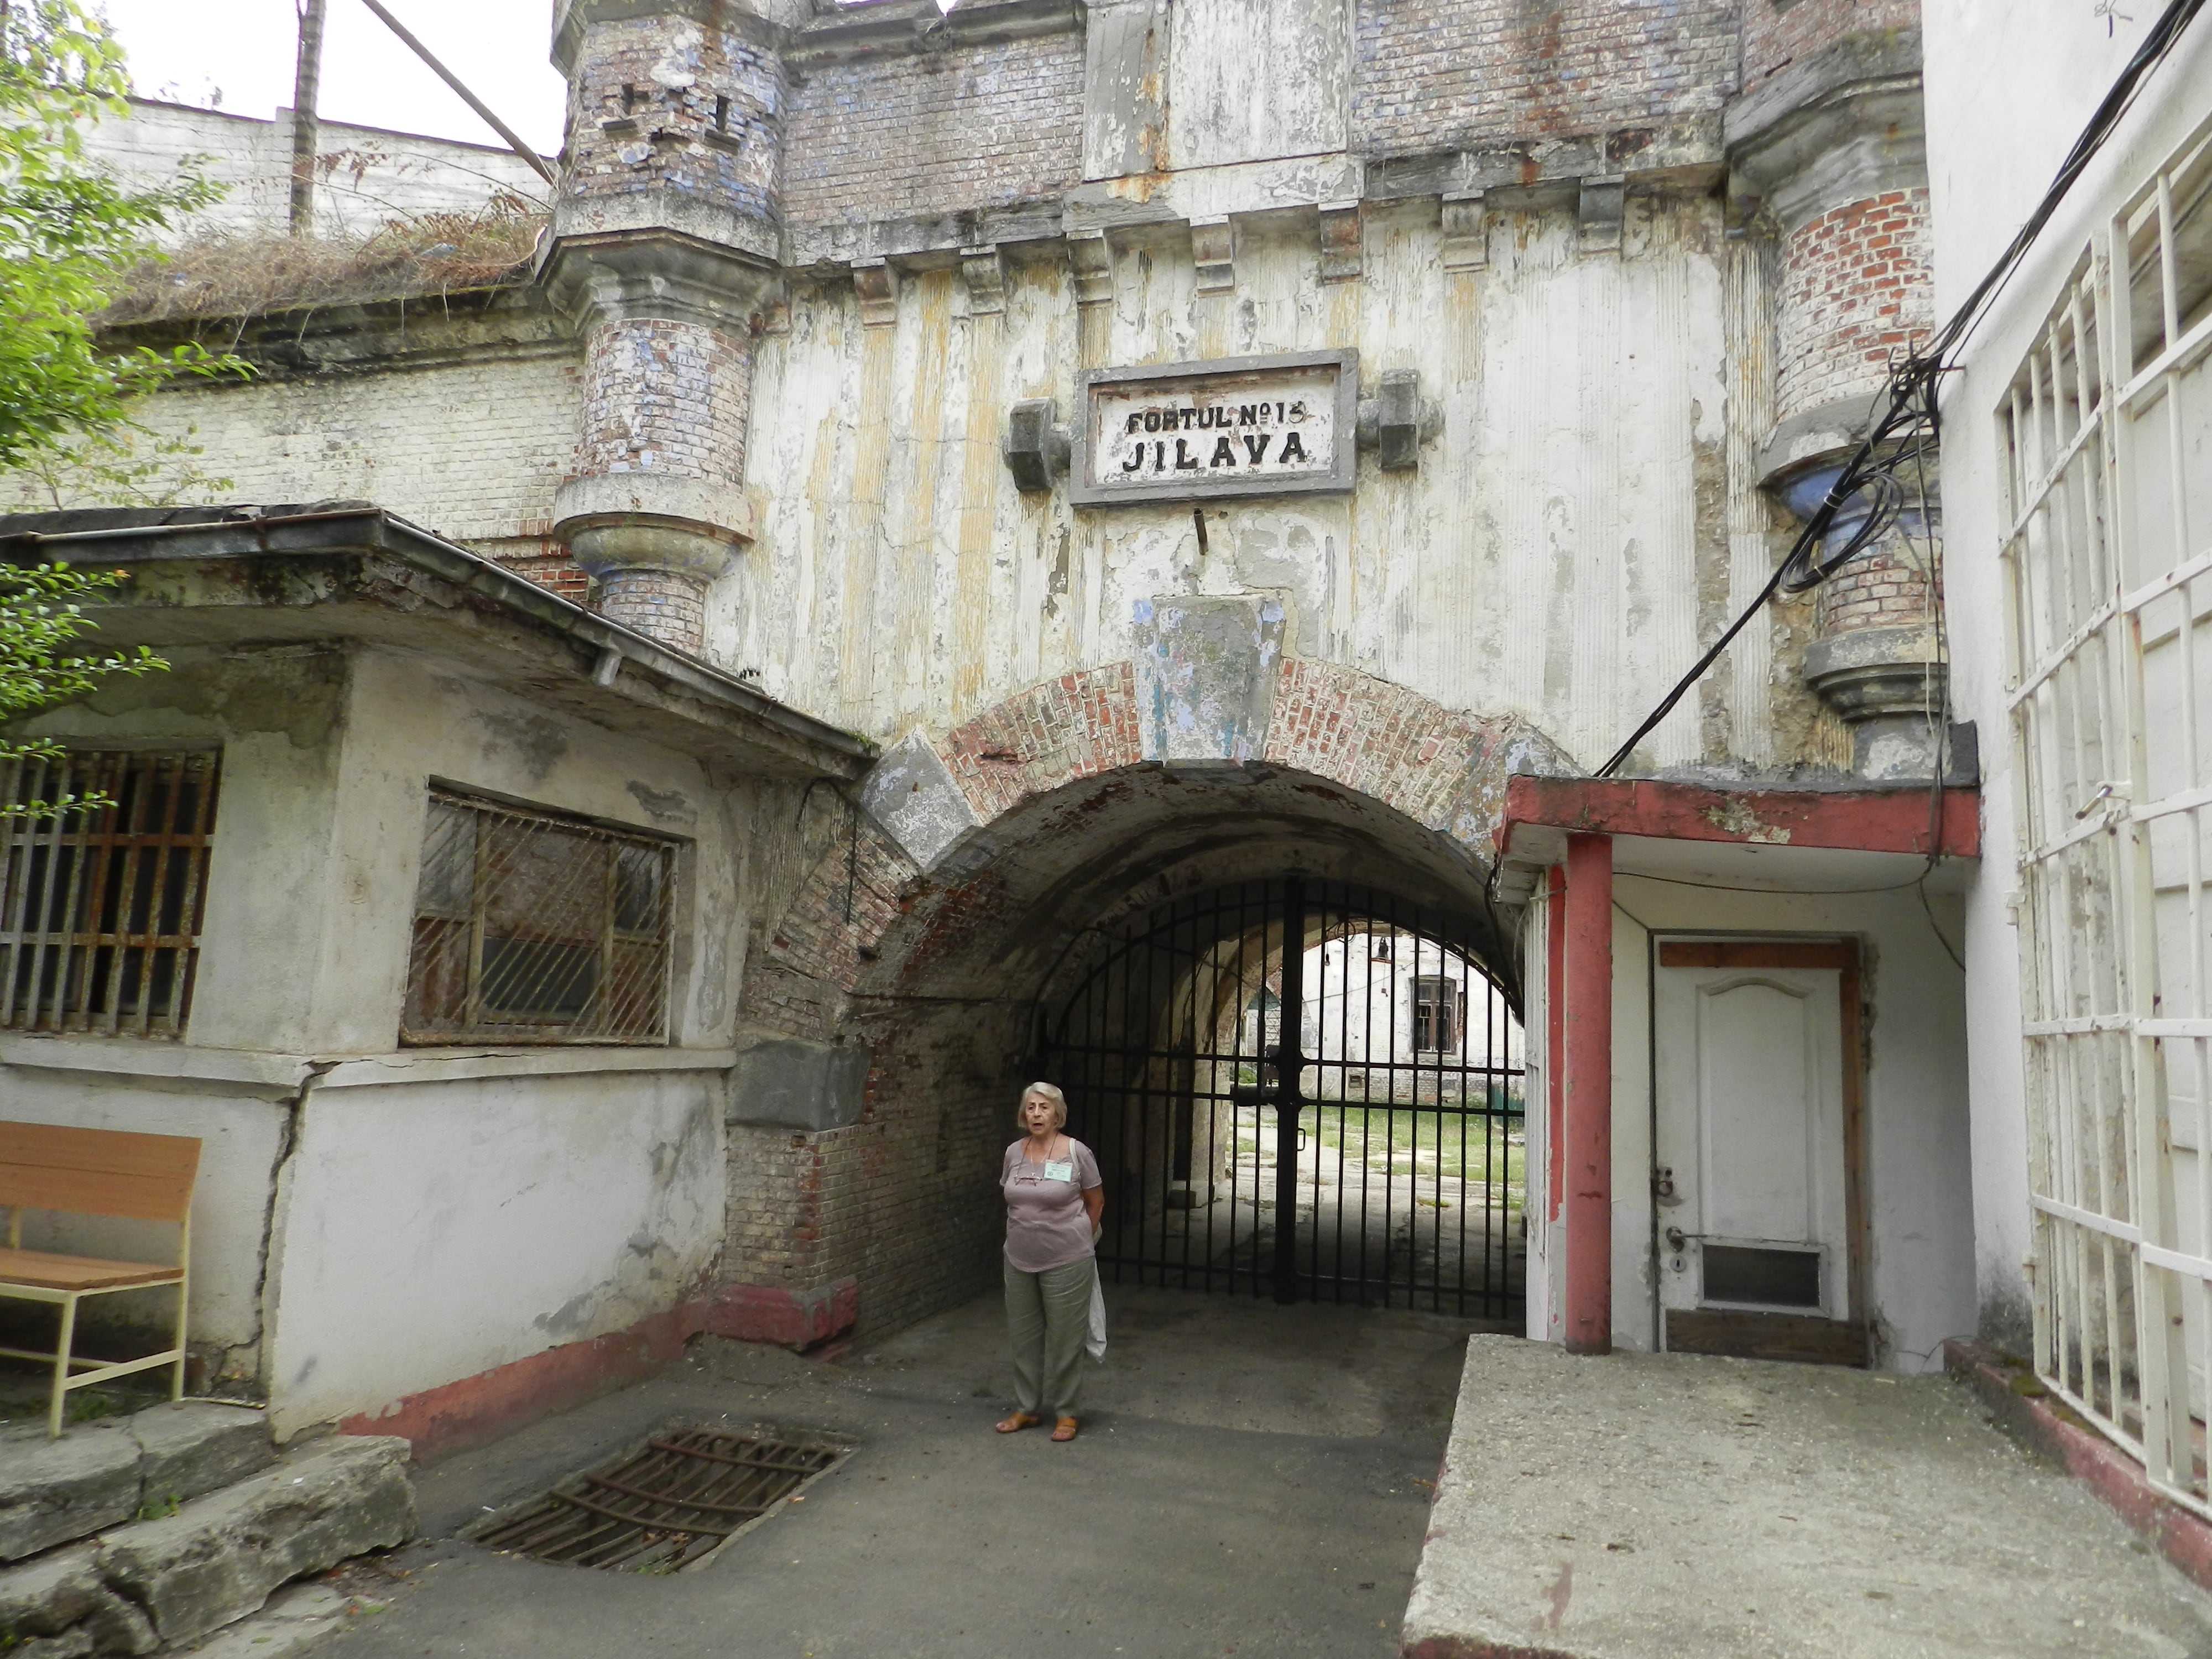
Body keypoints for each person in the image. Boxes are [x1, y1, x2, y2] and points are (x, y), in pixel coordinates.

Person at [997, 1081, 1104, 1442]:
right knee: (1023, 1339)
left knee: (1065, 1339)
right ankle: (1026, 1408)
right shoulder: (1014, 1152)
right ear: (1023, 1114)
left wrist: (1077, 1239)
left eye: (1044, 1108)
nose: (1037, 1114)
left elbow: (1096, 1202)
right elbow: (1011, 1198)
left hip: (1067, 1260)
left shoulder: (1076, 1153)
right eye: (1031, 1108)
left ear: (1057, 1114)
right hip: (1019, 1257)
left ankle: (1067, 1413)